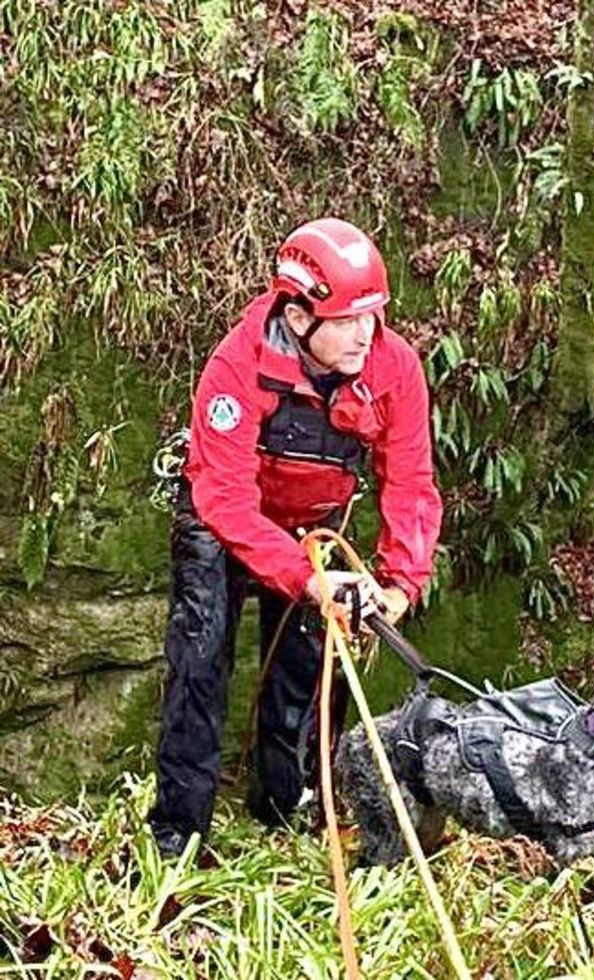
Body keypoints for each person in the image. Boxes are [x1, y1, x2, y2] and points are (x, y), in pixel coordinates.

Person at [147, 217, 443, 856]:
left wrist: (398, 583)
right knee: (200, 663)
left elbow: (410, 482)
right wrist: (305, 578)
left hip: (315, 524)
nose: (368, 333)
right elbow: (223, 497)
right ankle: (178, 835)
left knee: (305, 674)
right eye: (349, 319)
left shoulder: (393, 368)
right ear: (301, 315)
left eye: (375, 315)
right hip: (220, 524)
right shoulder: (238, 365)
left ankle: (281, 810)